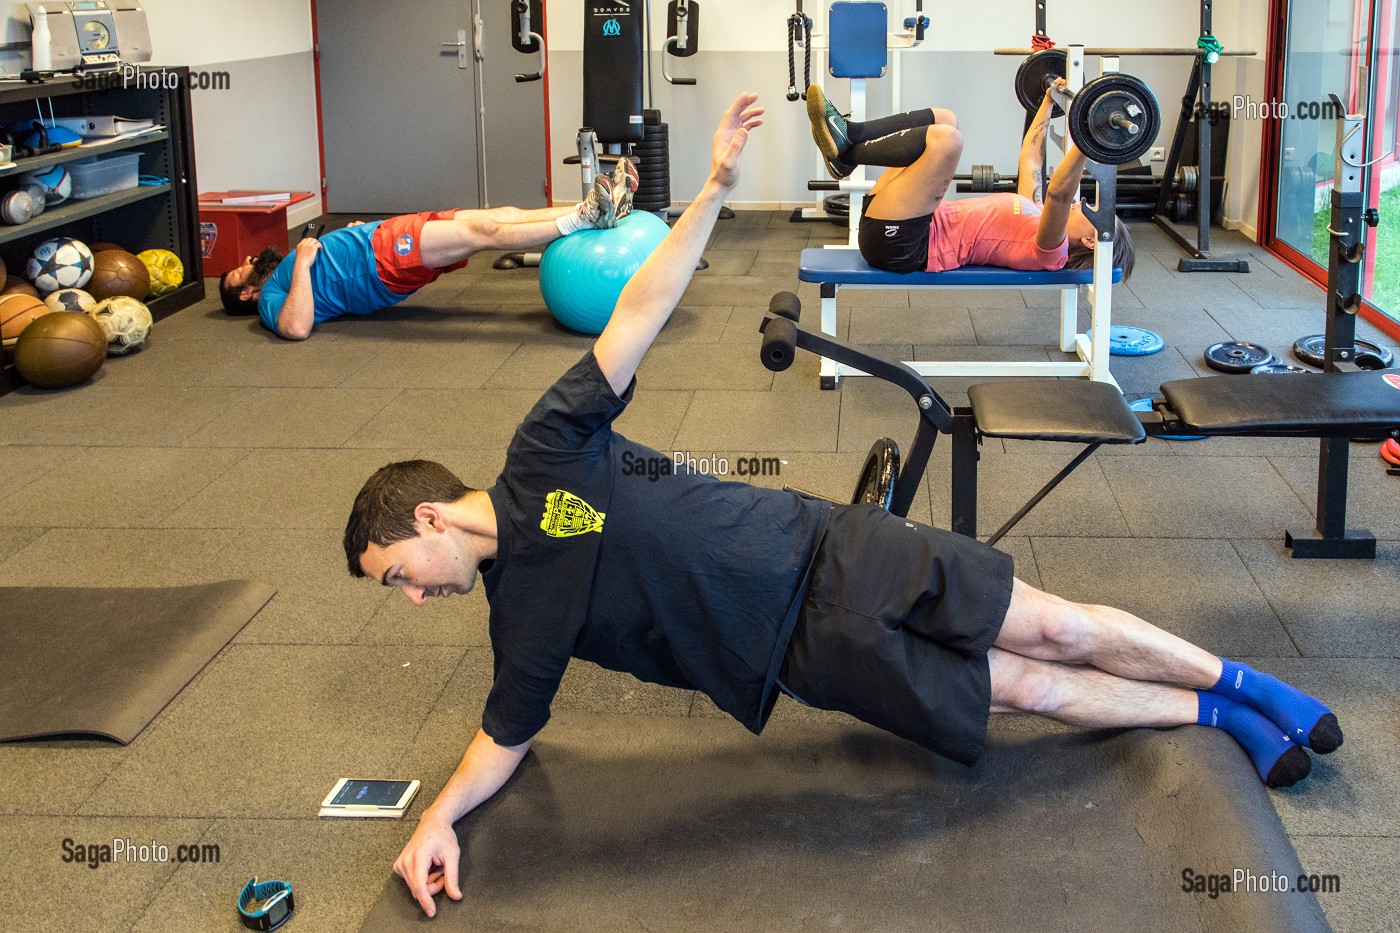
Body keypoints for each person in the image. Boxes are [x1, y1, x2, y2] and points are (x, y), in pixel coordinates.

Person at [341, 93, 1340, 919]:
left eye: (397, 580)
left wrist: (713, 194)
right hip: (810, 656)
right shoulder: (519, 616)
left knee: (1056, 625)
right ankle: (1211, 714)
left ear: (424, 521)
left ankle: (1250, 683)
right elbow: (501, 742)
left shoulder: (542, 453)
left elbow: (637, 310)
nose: (414, 600)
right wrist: (435, 818)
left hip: (833, 545)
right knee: (1023, 689)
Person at [219, 162, 639, 340]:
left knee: (504, 212)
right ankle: (585, 218)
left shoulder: (277, 277)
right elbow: (296, 328)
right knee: (485, 231)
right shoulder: (271, 301)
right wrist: (306, 262)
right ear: (245, 295)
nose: (245, 263)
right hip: (379, 262)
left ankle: (594, 206)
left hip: (379, 236)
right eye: (237, 275)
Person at [804, 83, 1134, 279]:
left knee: (947, 140)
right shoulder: (1033, 208)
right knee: (946, 118)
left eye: (1090, 210)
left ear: (1092, 241)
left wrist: (1090, 140)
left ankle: (846, 155)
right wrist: (1047, 100)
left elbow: (1062, 192)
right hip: (907, 221)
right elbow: (1031, 158)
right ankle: (850, 138)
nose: (1082, 205)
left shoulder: (1052, 251)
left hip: (905, 246)